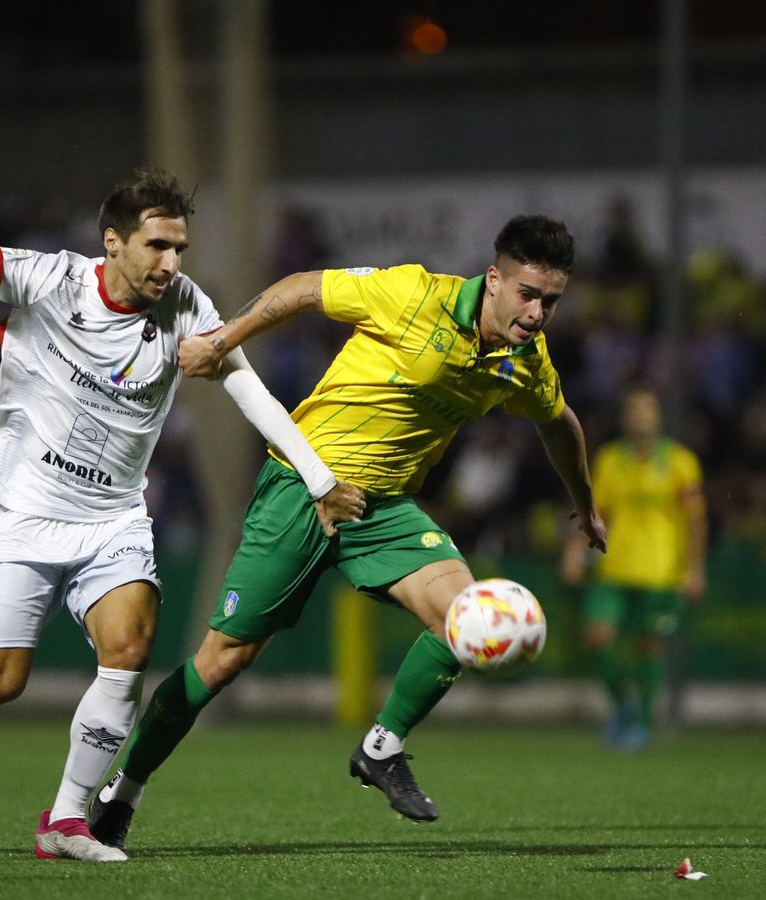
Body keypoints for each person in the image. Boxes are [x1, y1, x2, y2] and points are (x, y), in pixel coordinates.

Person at [0, 131, 364, 862]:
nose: (172, 263)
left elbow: (248, 388)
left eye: (179, 248)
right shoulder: (47, 280)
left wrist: (320, 479)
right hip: (25, 515)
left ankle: (65, 821)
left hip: (114, 519)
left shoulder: (187, 305)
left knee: (128, 647)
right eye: (157, 246)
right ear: (114, 242)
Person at [86, 215, 607, 853]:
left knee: (466, 617)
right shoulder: (414, 295)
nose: (537, 313)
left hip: (383, 510)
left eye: (551, 301)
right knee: (222, 662)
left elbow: (561, 424)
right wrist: (222, 341)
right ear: (494, 279)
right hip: (300, 490)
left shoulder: (525, 360)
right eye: (528, 294)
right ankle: (123, 792)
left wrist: (584, 503)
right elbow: (305, 287)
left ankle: (381, 748)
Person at [561, 388, 706, 750]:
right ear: (625, 418)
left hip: (660, 573)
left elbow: (696, 522)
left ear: (659, 417)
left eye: (647, 410)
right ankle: (623, 705)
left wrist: (694, 569)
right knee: (597, 639)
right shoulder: (611, 459)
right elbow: (597, 511)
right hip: (614, 568)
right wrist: (575, 550)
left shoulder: (680, 462)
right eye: (634, 410)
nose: (641, 417)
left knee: (647, 647)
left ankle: (641, 722)